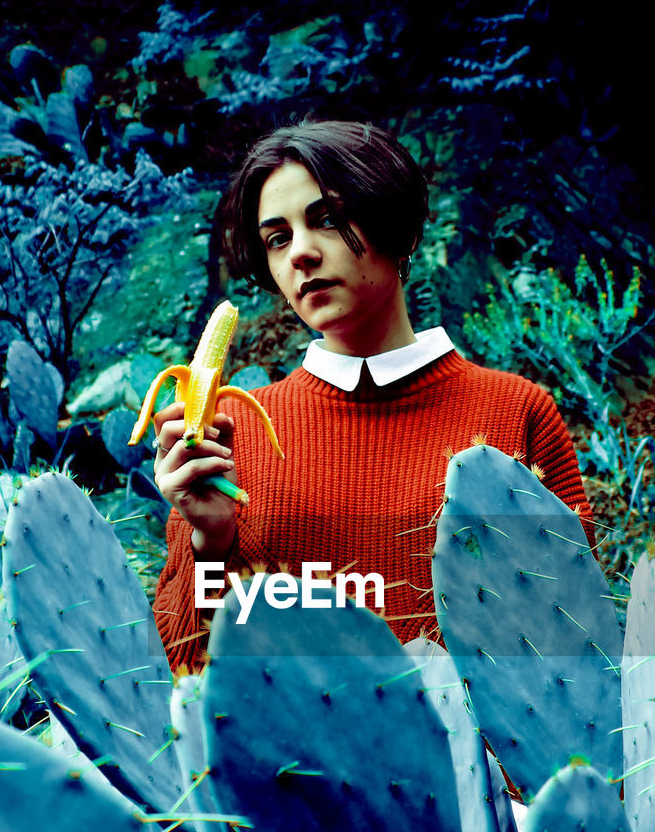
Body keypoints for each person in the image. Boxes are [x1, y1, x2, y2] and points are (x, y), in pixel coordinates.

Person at [149, 119, 595, 673]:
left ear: (401, 230)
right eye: (277, 238)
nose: (301, 255)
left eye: (329, 220)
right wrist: (210, 539)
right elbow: (184, 673)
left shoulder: (516, 411)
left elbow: (576, 643)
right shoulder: (227, 435)